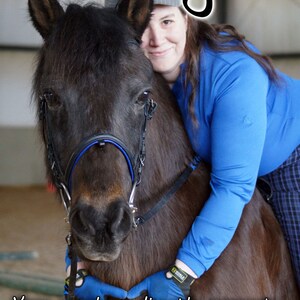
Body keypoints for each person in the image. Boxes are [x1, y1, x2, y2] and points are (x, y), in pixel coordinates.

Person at [65, 0, 300, 299]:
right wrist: (78, 261)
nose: (156, 39)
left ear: (187, 21)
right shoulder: (141, 76)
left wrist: (181, 274)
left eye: (166, 22)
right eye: (143, 27)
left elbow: (232, 187)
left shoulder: (235, 74)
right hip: (227, 168)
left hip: (290, 162)